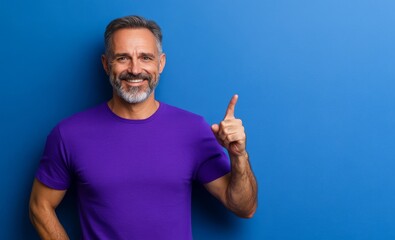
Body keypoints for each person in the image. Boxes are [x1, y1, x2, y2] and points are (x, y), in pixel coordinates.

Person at [29, 15, 257, 240]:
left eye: (145, 58)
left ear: (161, 63)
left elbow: (244, 207)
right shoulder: (69, 135)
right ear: (106, 64)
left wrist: (238, 156)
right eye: (123, 58)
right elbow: (40, 206)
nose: (135, 69)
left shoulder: (193, 129)